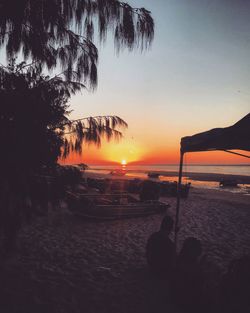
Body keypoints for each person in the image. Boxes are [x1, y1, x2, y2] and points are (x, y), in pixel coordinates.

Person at [171, 237, 205, 312]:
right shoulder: (193, 269)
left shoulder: (179, 261)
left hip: (177, 296)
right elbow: (198, 285)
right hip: (187, 301)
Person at [146, 215, 176, 280]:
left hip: (151, 266)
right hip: (161, 272)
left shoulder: (153, 237)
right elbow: (172, 262)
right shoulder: (169, 244)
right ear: (170, 228)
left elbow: (148, 253)